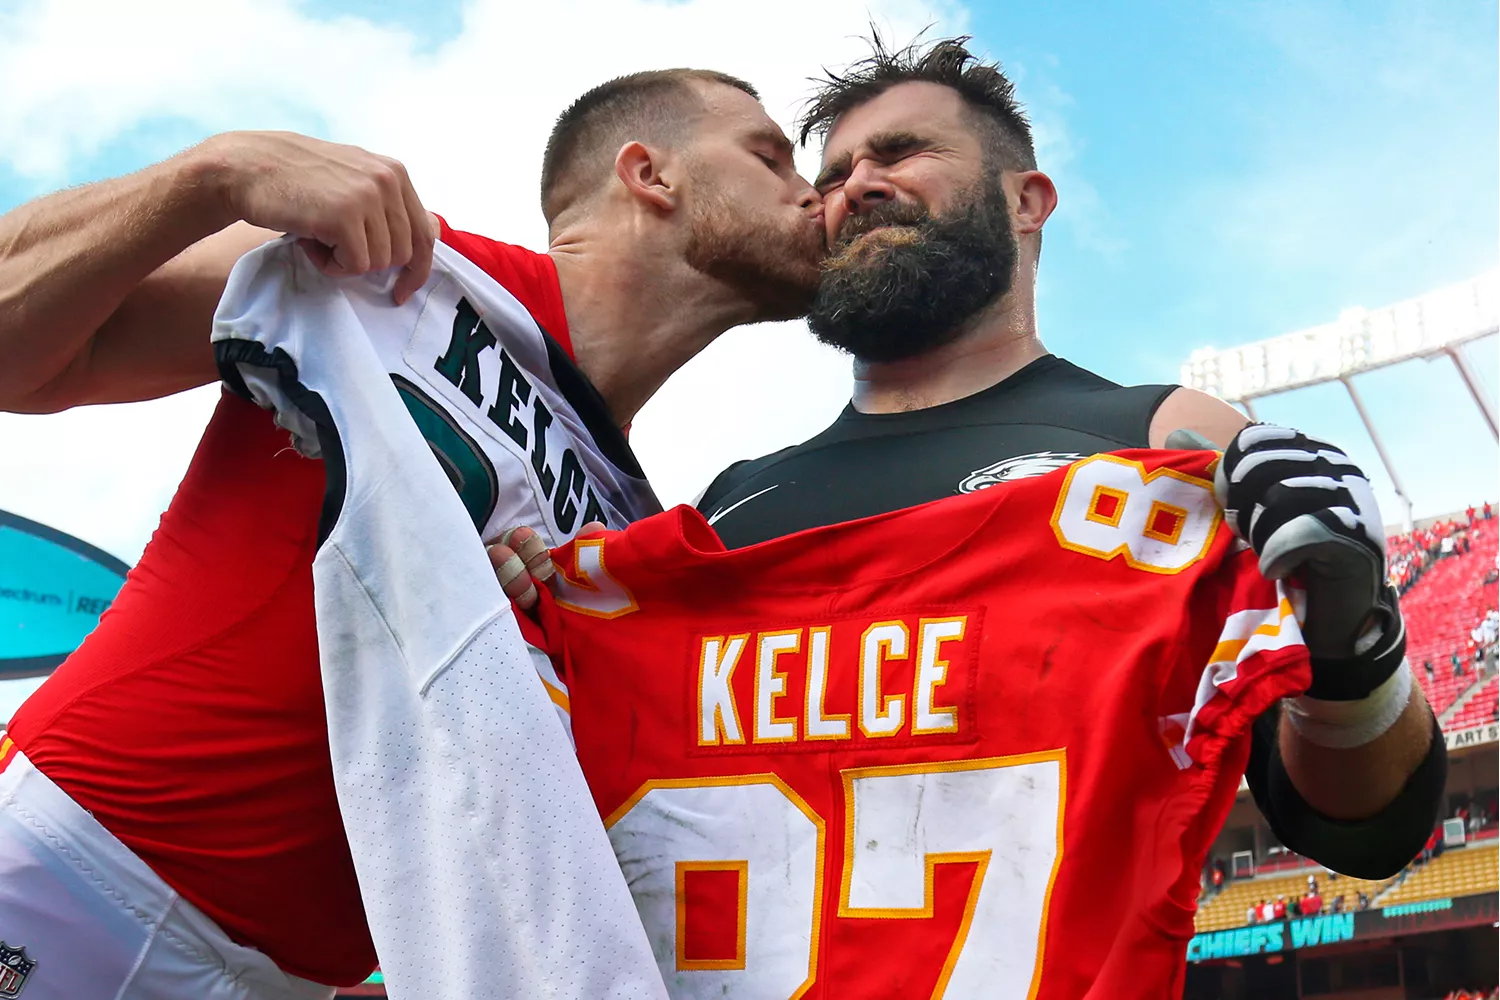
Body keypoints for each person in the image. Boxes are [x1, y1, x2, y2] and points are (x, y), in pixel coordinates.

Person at [0, 70, 823, 999]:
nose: (813, 187)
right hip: (70, 875)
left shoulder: (630, 530)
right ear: (650, 174)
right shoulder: (389, 270)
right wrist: (214, 172)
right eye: (769, 153)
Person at [680, 34, 1445, 883]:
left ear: (1027, 201)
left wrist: (1349, 648)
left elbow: (1366, 832)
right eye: (834, 176)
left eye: (902, 152)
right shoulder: (727, 508)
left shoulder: (1167, 441)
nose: (857, 185)